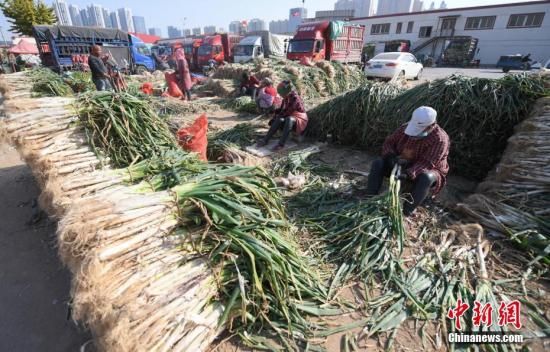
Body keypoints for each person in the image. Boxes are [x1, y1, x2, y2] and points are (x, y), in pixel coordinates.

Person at [366, 106, 450, 216]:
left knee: (426, 178)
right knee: (378, 163)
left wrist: (408, 174)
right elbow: (389, 142)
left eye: (420, 130)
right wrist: (390, 156)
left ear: (431, 126)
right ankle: (369, 197)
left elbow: (427, 163)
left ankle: (407, 210)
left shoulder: (440, 140)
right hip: (403, 163)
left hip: (428, 169)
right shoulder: (405, 128)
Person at [257, 81, 308, 151]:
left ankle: (281, 144)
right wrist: (274, 114)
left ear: (286, 92)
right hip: (289, 116)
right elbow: (281, 110)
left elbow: (289, 111)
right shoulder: (286, 98)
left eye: (281, 94)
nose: (281, 95)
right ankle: (265, 139)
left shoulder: (295, 98)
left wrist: (279, 116)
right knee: (280, 119)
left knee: (289, 119)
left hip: (300, 119)